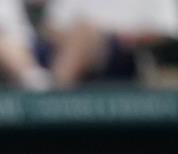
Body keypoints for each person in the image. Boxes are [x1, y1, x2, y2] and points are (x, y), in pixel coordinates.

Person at [39, 0, 178, 88]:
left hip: (127, 52)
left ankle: (54, 89)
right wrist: (81, 41)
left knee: (85, 31)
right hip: (70, 46)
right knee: (83, 31)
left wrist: (127, 37)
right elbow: (50, 28)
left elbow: (165, 31)